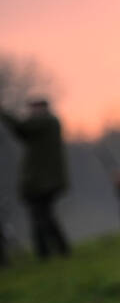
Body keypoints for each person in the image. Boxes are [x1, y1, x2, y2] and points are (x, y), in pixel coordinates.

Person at [0, 99, 70, 259]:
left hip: (42, 183)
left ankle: (48, 252)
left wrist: (3, 112)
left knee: (41, 216)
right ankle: (54, 250)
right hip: (42, 182)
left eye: (34, 109)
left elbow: (22, 128)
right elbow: (22, 132)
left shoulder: (47, 123)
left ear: (42, 108)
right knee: (43, 216)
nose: (31, 113)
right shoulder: (46, 126)